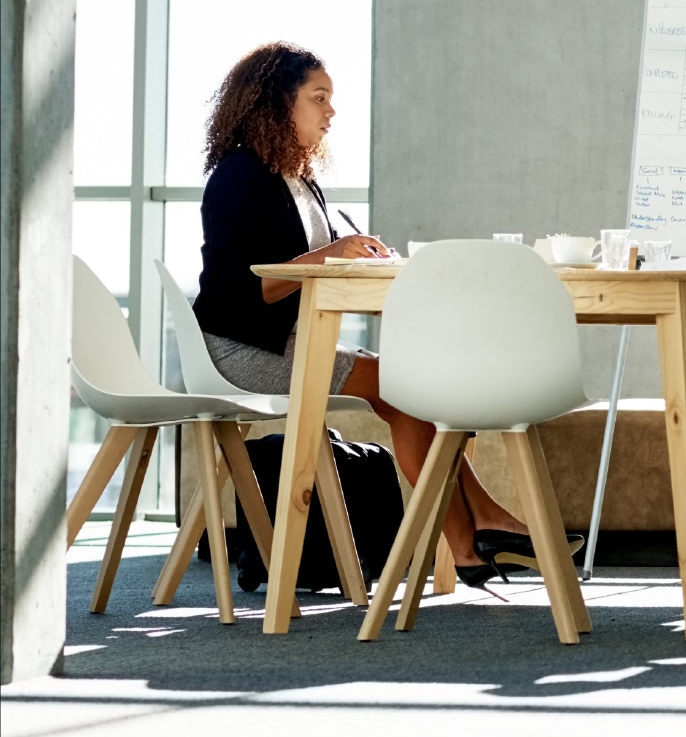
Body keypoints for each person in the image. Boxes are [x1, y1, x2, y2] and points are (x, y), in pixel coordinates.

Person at [193, 41, 572, 586]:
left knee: (408, 389)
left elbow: (313, 265)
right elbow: (240, 291)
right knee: (402, 389)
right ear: (276, 102)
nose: (331, 111)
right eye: (318, 97)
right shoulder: (238, 176)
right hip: (239, 349)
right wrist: (332, 254)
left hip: (288, 343)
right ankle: (479, 530)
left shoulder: (298, 180)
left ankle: (474, 539)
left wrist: (357, 254)